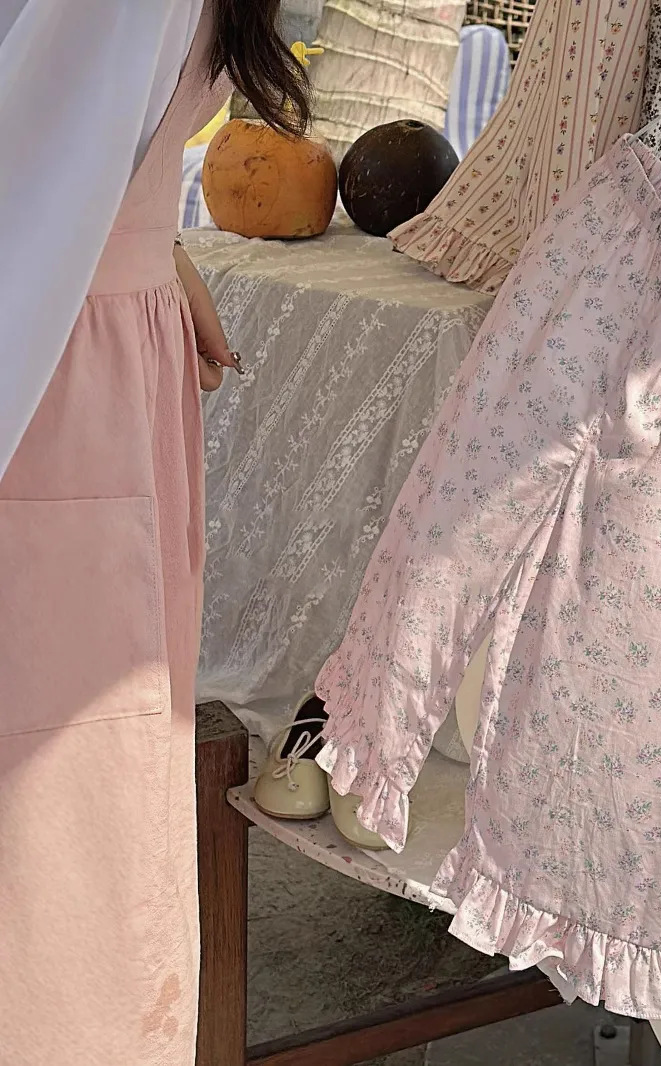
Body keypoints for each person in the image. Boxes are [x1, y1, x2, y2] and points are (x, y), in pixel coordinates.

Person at [0, 2, 311, 1062]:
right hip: (49, 378)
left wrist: (134, 229)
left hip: (65, 368)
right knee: (62, 860)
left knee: (71, 851)